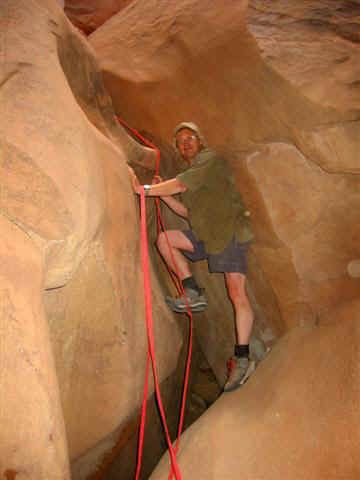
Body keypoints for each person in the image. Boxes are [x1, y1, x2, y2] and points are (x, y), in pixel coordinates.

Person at [128, 122, 255, 392]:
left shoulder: (210, 161)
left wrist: (145, 191)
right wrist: (162, 197)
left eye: (190, 138)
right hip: (207, 234)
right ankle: (192, 291)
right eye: (180, 141)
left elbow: (182, 186)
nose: (185, 143)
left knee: (236, 293)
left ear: (201, 142)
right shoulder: (191, 172)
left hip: (228, 232)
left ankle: (243, 357)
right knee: (165, 240)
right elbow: (189, 213)